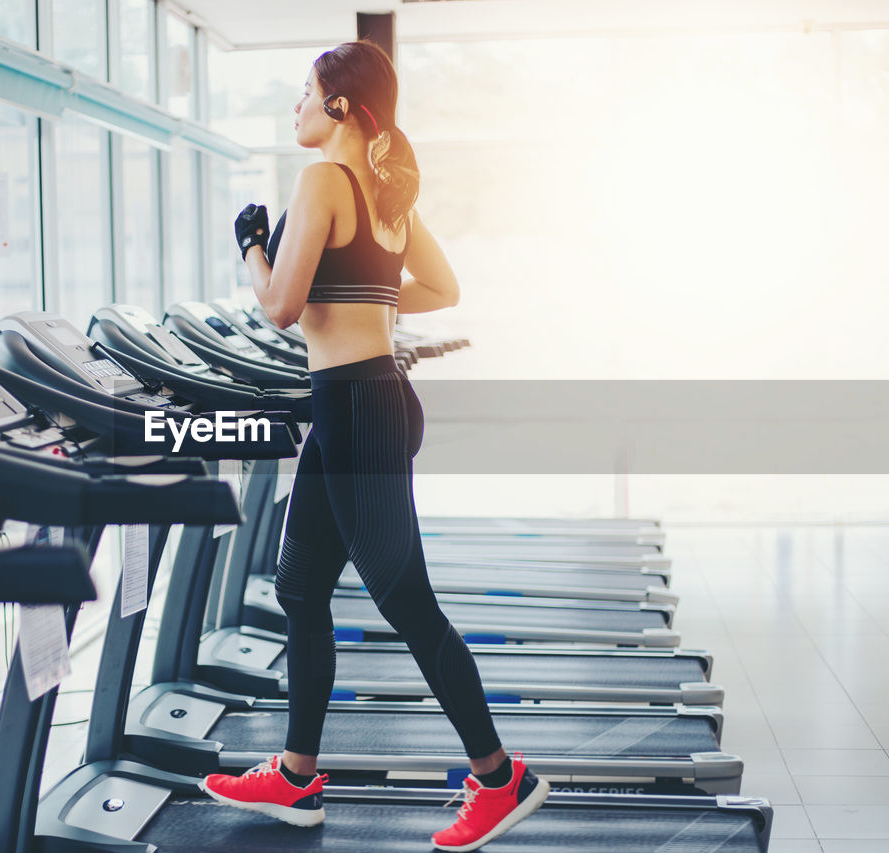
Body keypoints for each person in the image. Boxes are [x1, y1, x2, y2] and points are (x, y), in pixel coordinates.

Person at [198, 41, 549, 852]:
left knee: (405, 599)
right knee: (298, 584)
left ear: (341, 109)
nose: (296, 107)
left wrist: (252, 246)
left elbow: (280, 306)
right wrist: (364, 292)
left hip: (357, 407)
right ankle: (295, 773)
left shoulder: (322, 180)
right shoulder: (387, 196)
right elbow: (440, 288)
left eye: (305, 93)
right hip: (356, 402)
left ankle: (501, 779)